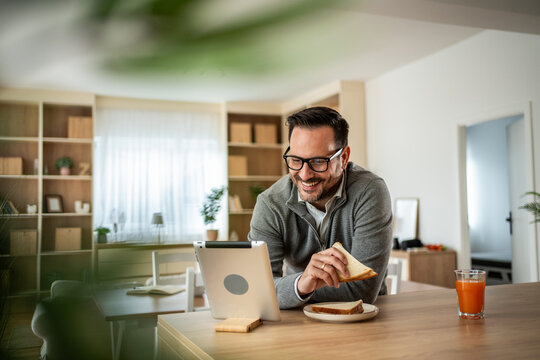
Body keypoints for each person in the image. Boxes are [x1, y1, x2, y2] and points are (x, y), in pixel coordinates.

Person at [248, 106, 393, 309]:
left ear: (343, 158)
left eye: (318, 161)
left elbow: (363, 292)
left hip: (362, 319)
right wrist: (301, 283)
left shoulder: (370, 192)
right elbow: (258, 290)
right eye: (296, 160)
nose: (305, 174)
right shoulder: (270, 204)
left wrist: (295, 290)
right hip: (298, 321)